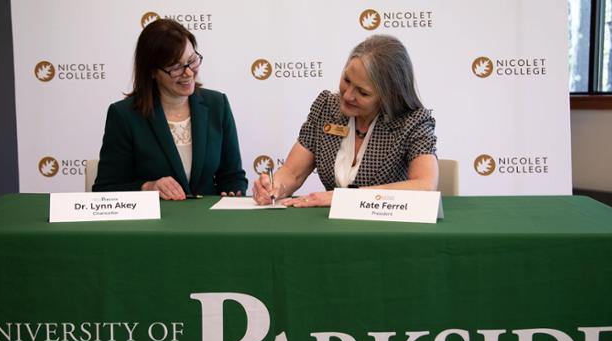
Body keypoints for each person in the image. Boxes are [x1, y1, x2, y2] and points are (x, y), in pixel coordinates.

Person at [253, 35, 437, 207]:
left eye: (363, 92)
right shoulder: (326, 107)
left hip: (386, 230)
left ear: (388, 96)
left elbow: (425, 186)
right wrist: (274, 187)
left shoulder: (413, 121)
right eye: (346, 80)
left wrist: (342, 199)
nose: (347, 95)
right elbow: (292, 172)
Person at [93, 19, 247, 199]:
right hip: (154, 224)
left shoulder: (217, 104)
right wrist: (148, 187)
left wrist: (233, 194)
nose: (188, 73)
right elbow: (105, 189)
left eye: (192, 61)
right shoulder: (124, 115)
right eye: (176, 67)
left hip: (209, 221)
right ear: (151, 71)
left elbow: (233, 177)